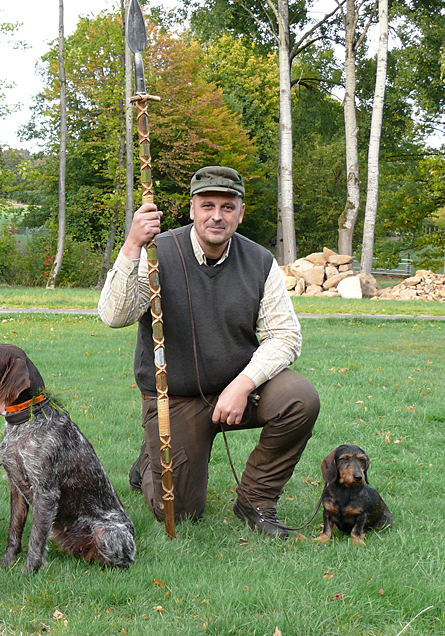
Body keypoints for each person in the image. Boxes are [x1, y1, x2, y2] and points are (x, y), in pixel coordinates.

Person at [98, 166, 320, 539]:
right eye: (207, 205)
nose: (217, 216)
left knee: (300, 399)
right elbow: (113, 316)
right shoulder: (155, 252)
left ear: (240, 213)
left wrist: (243, 385)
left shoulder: (259, 261)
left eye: (228, 207)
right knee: (182, 512)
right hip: (175, 397)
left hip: (238, 392)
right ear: (192, 209)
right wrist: (132, 244)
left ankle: (256, 501)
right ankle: (148, 463)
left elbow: (285, 336)